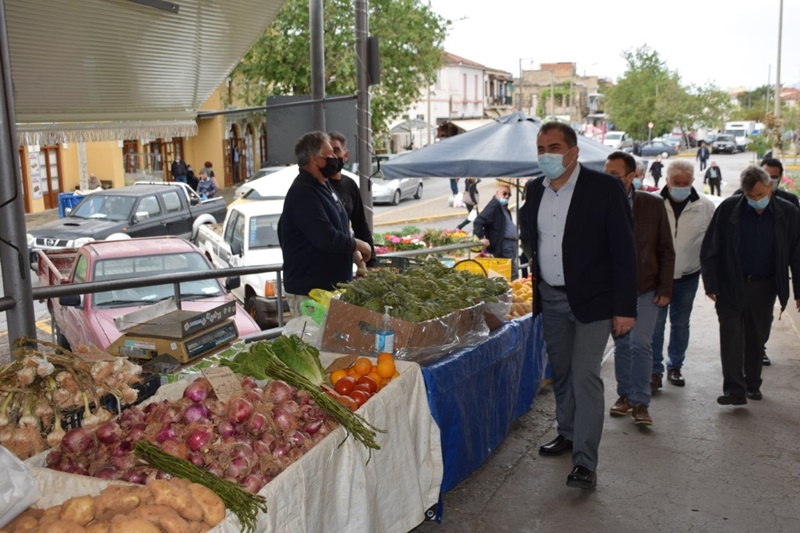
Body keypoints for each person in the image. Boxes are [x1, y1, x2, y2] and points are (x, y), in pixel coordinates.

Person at [524, 122, 637, 490]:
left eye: (554, 147)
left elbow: (624, 250)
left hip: (595, 300)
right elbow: (533, 242)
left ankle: (585, 460)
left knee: (584, 375)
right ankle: (568, 433)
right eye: (541, 148)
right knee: (560, 373)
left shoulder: (604, 188)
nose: (546, 155)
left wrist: (625, 307)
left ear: (573, 152)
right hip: (552, 297)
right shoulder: (533, 190)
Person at [700, 166, 800, 405]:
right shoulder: (728, 209)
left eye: (760, 195)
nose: (756, 200)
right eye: (750, 196)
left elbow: (797, 254)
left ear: (769, 187)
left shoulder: (788, 213)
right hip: (731, 284)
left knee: (756, 336)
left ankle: (753, 383)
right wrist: (710, 283)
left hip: (764, 286)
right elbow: (710, 247)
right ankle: (734, 390)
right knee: (731, 336)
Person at [604, 152, 675, 426]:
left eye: (615, 175)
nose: (608, 180)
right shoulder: (599, 205)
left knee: (640, 343)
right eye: (605, 174)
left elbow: (666, 249)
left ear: (632, 176)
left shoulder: (652, 205)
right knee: (622, 344)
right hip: (613, 288)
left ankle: (641, 402)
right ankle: (625, 397)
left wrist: (665, 287)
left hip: (646, 286)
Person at [278, 131, 372, 317]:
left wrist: (360, 263)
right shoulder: (303, 193)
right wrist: (361, 244)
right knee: (312, 344)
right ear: (315, 159)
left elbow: (343, 230)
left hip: (330, 291)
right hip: (309, 294)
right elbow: (326, 238)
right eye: (330, 154)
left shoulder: (325, 186)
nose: (335, 158)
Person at [650, 160, 716, 391]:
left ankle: (675, 366)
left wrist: (712, 281)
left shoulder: (705, 206)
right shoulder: (653, 203)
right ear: (666, 181)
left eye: (685, 183)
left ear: (692, 182)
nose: (680, 186)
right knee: (655, 326)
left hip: (688, 276)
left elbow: (712, 244)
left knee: (680, 323)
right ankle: (654, 371)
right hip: (657, 278)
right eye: (676, 182)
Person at [327, 131, 376, 268]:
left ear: (346, 155)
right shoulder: (320, 187)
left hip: (345, 264)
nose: (332, 156)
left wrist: (370, 263)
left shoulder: (350, 185)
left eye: (336, 150)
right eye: (328, 152)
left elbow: (360, 225)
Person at [473, 181, 519, 280]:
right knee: (513, 274)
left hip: (510, 245)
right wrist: (481, 237)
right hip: (504, 245)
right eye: (504, 193)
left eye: (509, 194)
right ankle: (515, 293)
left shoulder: (502, 207)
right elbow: (479, 221)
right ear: (497, 193)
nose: (507, 196)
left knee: (507, 273)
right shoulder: (494, 205)